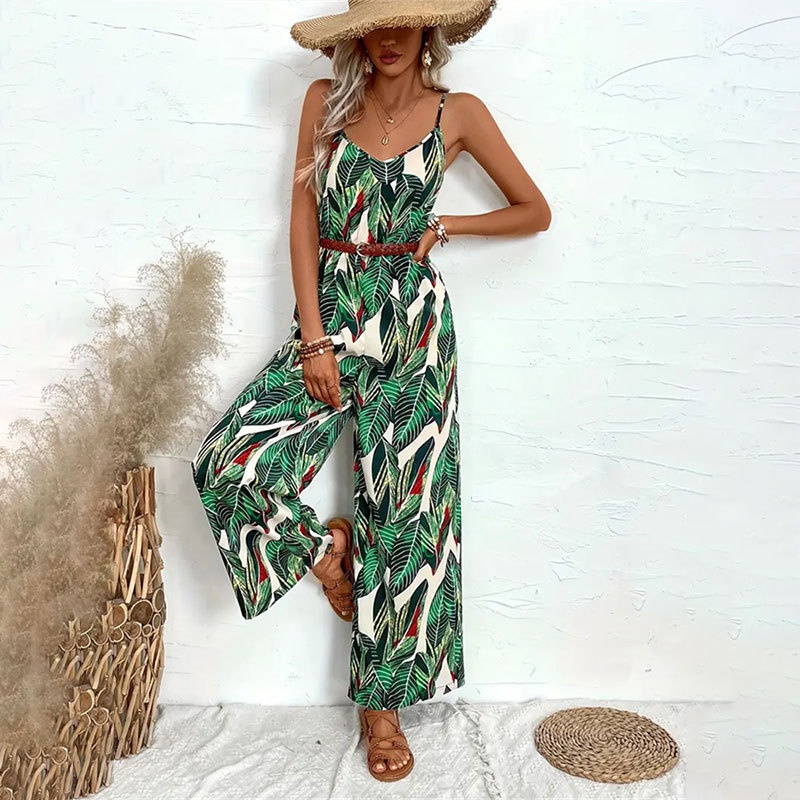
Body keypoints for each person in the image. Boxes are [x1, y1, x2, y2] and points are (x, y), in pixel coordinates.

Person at [191, 0, 551, 782]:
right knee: (226, 461)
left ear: (428, 27)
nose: (389, 37)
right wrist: (314, 339)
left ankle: (381, 709)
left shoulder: (459, 113)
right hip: (335, 312)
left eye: (404, 18)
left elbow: (536, 211)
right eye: (375, 20)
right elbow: (300, 216)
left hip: (415, 327)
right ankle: (326, 551)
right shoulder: (324, 101)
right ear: (356, 32)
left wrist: (450, 226)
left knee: (404, 517)